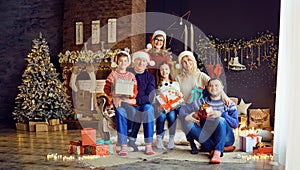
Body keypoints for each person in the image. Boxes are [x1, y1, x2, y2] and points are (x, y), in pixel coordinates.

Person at [174, 50, 232, 155]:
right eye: (184, 62)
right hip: (185, 106)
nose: (187, 64)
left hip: (199, 106)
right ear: (181, 64)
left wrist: (225, 96)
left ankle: (212, 147)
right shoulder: (178, 78)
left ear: (194, 61)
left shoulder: (200, 75)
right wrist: (184, 113)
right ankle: (192, 143)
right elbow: (176, 95)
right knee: (185, 119)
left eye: (189, 60)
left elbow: (215, 84)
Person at [178, 78, 239, 164]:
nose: (213, 88)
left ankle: (217, 152)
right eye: (211, 86)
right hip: (207, 137)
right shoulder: (202, 102)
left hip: (226, 138)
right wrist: (185, 116)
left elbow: (235, 124)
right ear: (207, 88)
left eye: (216, 85)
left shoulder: (229, 103)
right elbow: (182, 109)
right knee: (187, 124)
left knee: (220, 120)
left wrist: (222, 114)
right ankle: (215, 148)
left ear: (222, 88)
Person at [103, 51, 138, 156]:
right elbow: (106, 88)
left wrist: (131, 95)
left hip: (128, 101)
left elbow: (135, 91)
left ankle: (129, 132)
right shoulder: (113, 75)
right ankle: (123, 145)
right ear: (117, 62)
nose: (123, 63)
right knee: (120, 113)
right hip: (118, 102)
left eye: (125, 61)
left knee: (132, 111)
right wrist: (113, 94)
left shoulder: (131, 75)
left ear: (128, 62)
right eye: (121, 61)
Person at [125, 51, 156, 155]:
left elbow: (150, 97)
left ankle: (148, 145)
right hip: (128, 102)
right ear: (134, 62)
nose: (141, 63)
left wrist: (136, 101)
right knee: (133, 110)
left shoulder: (150, 77)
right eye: (138, 60)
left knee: (148, 109)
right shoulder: (127, 74)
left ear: (147, 63)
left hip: (143, 103)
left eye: (144, 61)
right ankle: (131, 140)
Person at [154, 62, 183, 150]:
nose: (164, 71)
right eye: (162, 70)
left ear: (169, 70)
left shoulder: (175, 83)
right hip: (161, 107)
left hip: (172, 107)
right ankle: (159, 139)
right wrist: (158, 105)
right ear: (159, 72)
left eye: (166, 69)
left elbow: (179, 97)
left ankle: (171, 138)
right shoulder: (157, 84)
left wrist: (179, 94)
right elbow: (154, 98)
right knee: (161, 116)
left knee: (171, 116)